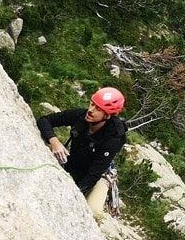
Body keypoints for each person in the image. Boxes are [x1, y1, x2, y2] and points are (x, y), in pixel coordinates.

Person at [37, 87, 126, 215]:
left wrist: (73, 193)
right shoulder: (81, 116)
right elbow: (45, 120)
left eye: (98, 109)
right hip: (75, 162)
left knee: (93, 210)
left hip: (100, 174)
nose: (90, 110)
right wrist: (54, 142)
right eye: (92, 104)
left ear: (107, 115)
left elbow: (94, 174)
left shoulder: (113, 138)